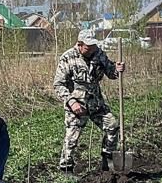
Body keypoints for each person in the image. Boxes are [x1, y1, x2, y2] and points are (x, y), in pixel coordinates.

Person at [53, 31, 126, 172]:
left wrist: (118, 69)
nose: (92, 49)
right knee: (72, 138)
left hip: (96, 103)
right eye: (88, 47)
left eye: (93, 45)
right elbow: (58, 84)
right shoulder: (68, 58)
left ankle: (107, 161)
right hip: (77, 105)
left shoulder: (99, 54)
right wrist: (71, 102)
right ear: (79, 45)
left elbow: (111, 72)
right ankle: (66, 168)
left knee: (112, 126)